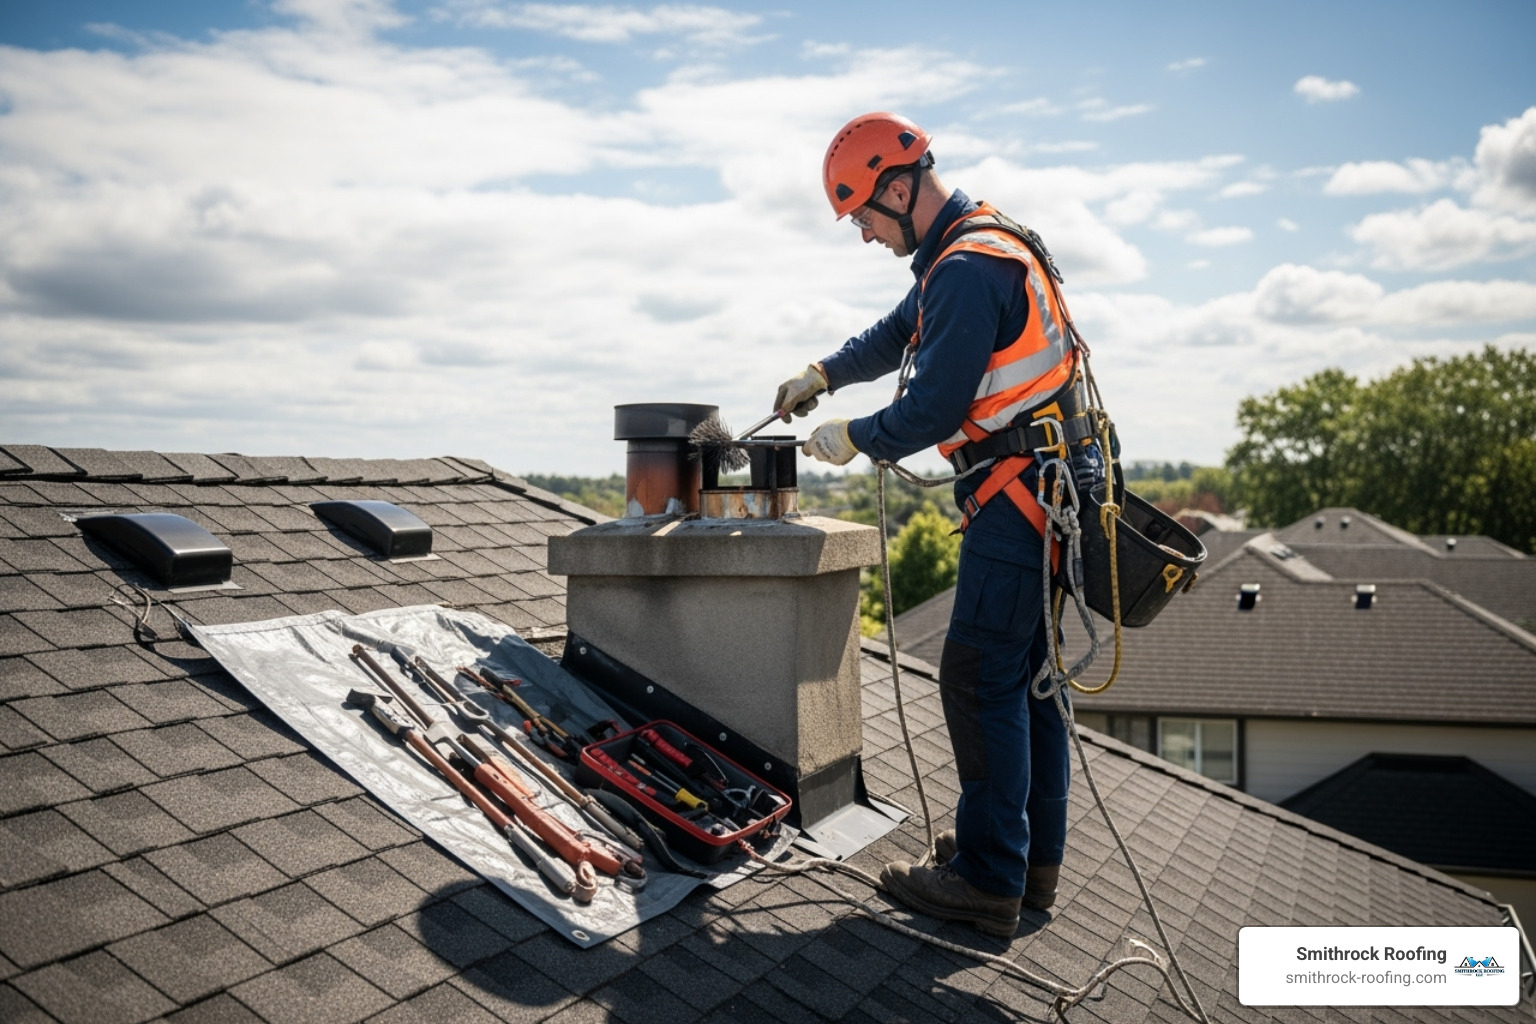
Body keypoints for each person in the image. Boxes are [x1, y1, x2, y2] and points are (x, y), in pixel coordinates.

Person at [780, 112, 1105, 938]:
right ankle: (1029, 866)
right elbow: (901, 332)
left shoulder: (965, 266)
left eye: (864, 217)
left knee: (978, 676)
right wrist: (823, 373)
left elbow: (932, 408)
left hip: (1022, 498)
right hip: (1049, 493)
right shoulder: (979, 243)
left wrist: (855, 437)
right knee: (1027, 681)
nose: (864, 235)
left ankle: (988, 878)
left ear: (898, 189)